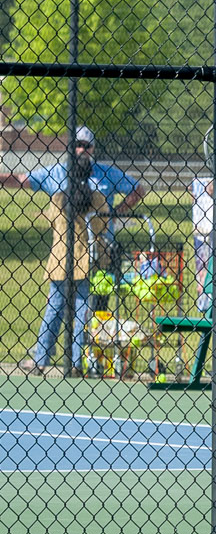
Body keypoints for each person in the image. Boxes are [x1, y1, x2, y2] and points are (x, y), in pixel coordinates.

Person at [0, 126, 145, 374]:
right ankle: (43, 358)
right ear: (71, 146)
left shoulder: (105, 174)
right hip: (64, 252)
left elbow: (138, 189)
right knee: (56, 305)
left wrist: (114, 213)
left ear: (93, 149)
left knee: (85, 308)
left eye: (87, 146)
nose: (82, 149)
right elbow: (22, 179)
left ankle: (78, 363)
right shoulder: (56, 172)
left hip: (96, 252)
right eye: (78, 144)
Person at [190, 176, 214, 312]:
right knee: (202, 271)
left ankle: (209, 302)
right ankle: (204, 303)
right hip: (201, 232)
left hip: (213, 232)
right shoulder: (199, 183)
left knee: (211, 269)